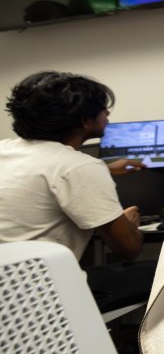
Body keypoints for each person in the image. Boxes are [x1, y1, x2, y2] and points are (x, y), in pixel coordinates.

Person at [0, 71, 145, 261]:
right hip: (50, 287)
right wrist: (130, 225)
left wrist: (106, 169)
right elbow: (128, 248)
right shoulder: (80, 167)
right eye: (103, 109)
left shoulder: (5, 149)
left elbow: (38, 175)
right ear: (85, 120)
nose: (107, 113)